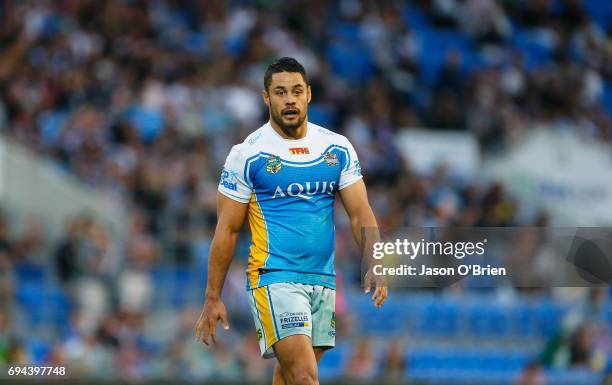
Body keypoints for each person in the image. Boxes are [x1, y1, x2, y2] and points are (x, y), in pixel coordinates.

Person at [194, 57, 387, 385]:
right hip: (274, 277)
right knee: (305, 376)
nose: (290, 99)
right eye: (280, 92)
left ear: (309, 94)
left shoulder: (336, 148)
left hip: (323, 278)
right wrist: (213, 296)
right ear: (266, 98)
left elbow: (360, 212)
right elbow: (227, 230)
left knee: (289, 375)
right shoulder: (247, 155)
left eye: (296, 91)